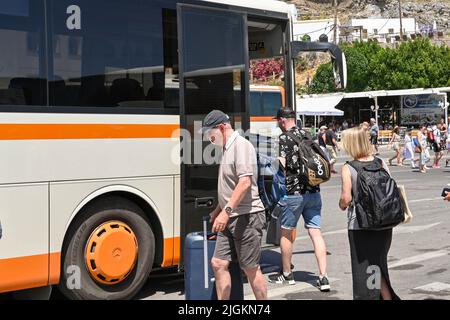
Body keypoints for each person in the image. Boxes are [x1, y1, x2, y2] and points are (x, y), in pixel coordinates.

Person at [203, 110, 267, 300]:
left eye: (210, 133)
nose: (209, 138)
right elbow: (230, 186)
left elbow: (245, 182)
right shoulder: (227, 148)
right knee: (218, 263)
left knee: (251, 269)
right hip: (230, 216)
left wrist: (226, 211)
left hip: (247, 217)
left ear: (221, 128)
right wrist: (218, 209)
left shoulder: (241, 146)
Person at [268, 107, 330, 292]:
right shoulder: (308, 134)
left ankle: (287, 274)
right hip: (314, 191)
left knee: (286, 233)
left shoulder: (284, 138)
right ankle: (323, 277)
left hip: (294, 193)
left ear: (281, 120)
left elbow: (283, 164)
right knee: (315, 233)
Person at [339, 127, 400, 300]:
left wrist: (342, 205)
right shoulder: (380, 162)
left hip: (360, 226)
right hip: (384, 223)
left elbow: (345, 199)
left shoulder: (348, 167)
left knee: (364, 270)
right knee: (378, 265)